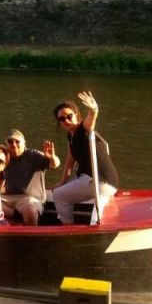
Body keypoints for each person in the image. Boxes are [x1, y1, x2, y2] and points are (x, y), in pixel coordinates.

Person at [51, 91, 119, 225]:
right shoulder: (71, 136)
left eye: (69, 116)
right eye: (62, 119)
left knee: (59, 195)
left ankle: (67, 228)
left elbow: (91, 118)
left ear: (76, 115)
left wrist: (94, 108)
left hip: (99, 182)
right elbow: (70, 159)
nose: (66, 121)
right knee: (63, 189)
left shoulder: (84, 129)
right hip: (105, 183)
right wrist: (62, 181)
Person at [1, 129, 60, 225]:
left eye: (17, 141)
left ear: (24, 143)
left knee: (30, 212)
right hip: (8, 198)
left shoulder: (34, 155)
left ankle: (31, 238)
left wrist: (52, 157)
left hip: (30, 199)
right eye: (10, 141)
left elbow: (54, 165)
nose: (14, 144)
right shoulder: (4, 157)